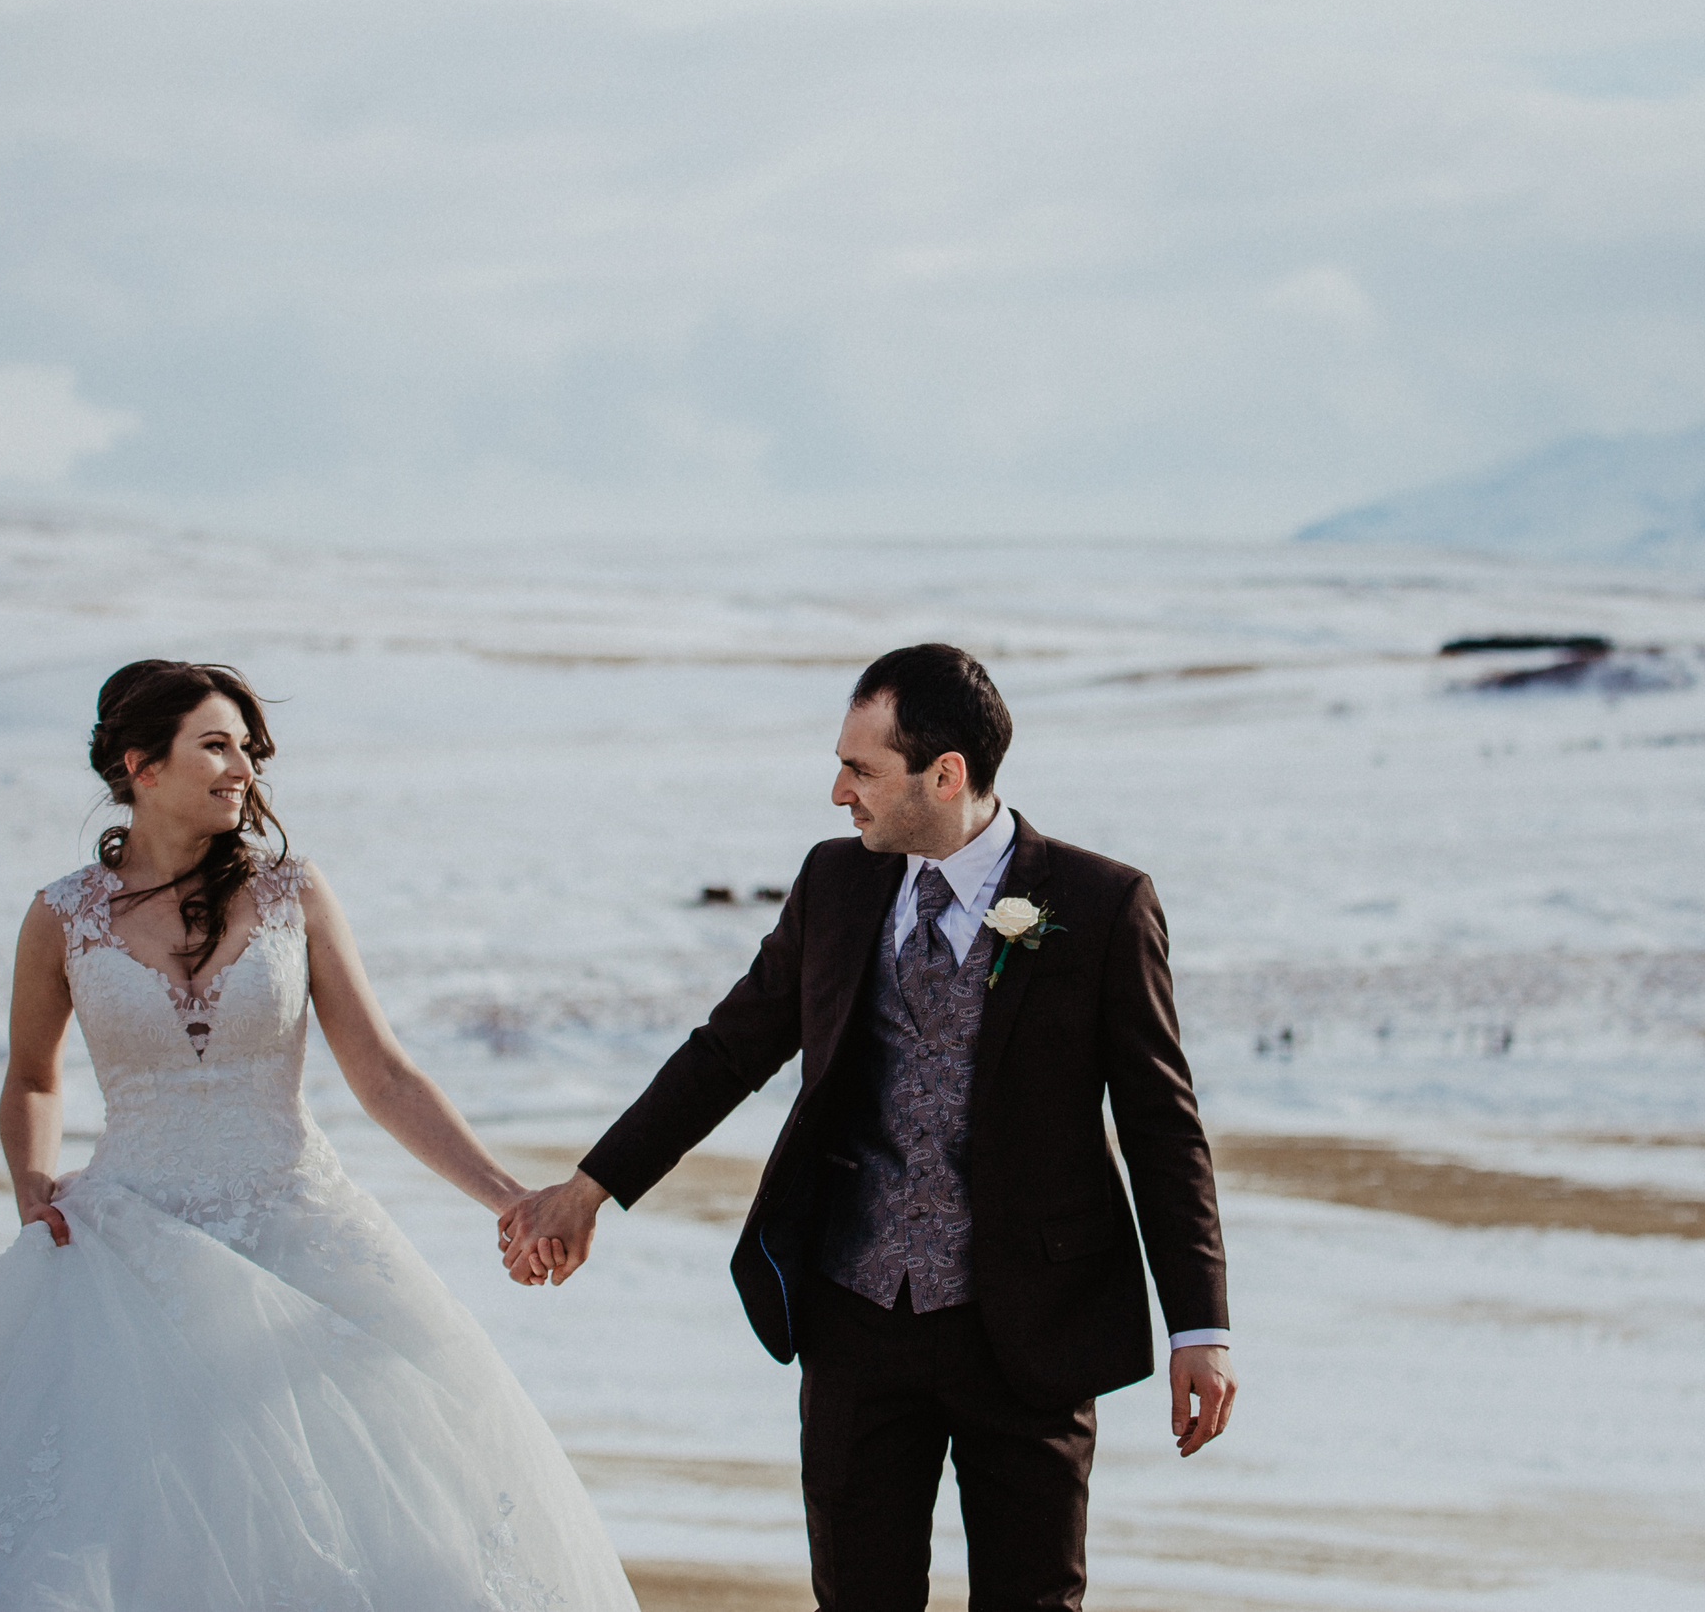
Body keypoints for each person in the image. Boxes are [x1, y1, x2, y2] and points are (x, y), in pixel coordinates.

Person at [0, 660, 636, 1612]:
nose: (242, 770)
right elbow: (32, 1076)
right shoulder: (61, 918)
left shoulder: (294, 893)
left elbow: (382, 1072)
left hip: (303, 1231)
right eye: (216, 745)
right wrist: (32, 1179)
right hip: (121, 1250)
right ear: (141, 763)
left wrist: (509, 1195)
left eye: (247, 750)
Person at [500, 643, 1235, 1612]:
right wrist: (591, 1187)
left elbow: (1159, 1124)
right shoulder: (836, 885)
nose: (837, 792)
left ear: (946, 774)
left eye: (860, 769)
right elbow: (728, 1051)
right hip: (854, 1319)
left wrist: (1201, 1324)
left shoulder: (1099, 906)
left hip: (1027, 1330)